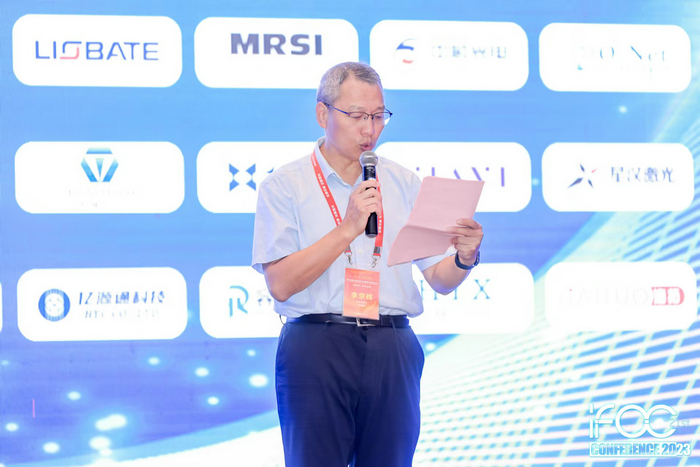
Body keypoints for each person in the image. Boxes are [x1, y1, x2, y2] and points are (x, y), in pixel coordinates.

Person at [252, 62, 483, 467]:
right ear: (323, 114)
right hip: (317, 345)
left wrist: (465, 258)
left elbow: (439, 279)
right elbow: (281, 283)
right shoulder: (285, 185)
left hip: (392, 346)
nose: (370, 129)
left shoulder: (404, 182)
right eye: (357, 116)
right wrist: (348, 228)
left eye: (378, 116)